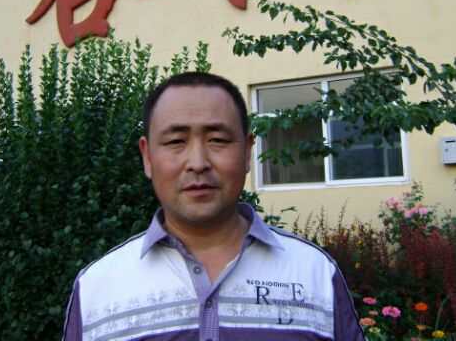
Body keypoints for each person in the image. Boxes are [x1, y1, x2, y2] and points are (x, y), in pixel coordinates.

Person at [63, 72, 366, 341]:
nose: (198, 163)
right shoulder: (97, 288)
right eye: (176, 141)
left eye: (217, 139)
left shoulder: (314, 273)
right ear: (147, 156)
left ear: (247, 152)